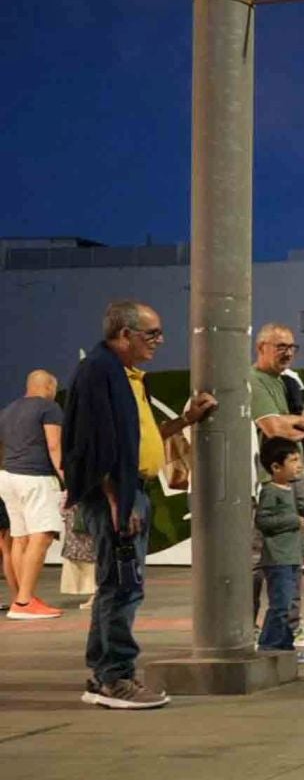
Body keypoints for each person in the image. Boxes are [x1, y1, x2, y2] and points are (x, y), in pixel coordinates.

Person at [64, 300, 217, 709]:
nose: (159, 341)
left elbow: (139, 437)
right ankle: (115, 678)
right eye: (151, 334)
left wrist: (187, 421)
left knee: (119, 586)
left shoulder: (128, 376)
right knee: (121, 587)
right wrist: (120, 499)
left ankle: (106, 676)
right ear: (124, 334)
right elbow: (94, 443)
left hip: (132, 492)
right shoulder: (99, 372)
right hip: (118, 497)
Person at [250, 324, 304, 650]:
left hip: (293, 477)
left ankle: (289, 627)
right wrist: (294, 422)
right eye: (280, 346)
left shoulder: (289, 381)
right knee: (258, 560)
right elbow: (272, 428)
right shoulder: (253, 381)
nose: (287, 353)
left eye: (292, 347)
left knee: (293, 556)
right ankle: (251, 629)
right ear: (262, 347)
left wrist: (290, 423)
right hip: (266, 480)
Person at [0, 370, 66, 620]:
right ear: (48, 386)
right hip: (35, 478)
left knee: (20, 537)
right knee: (43, 536)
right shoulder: (49, 408)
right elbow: (53, 444)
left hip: (7, 476)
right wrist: (65, 478)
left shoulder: (8, 410)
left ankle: (21, 597)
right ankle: (25, 603)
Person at [256, 438, 304, 662]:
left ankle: (285, 647)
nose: (298, 465)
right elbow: (263, 521)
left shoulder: (289, 489)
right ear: (275, 467)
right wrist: (293, 520)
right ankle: (269, 645)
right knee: (280, 605)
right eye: (292, 460)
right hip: (278, 558)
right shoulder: (270, 491)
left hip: (291, 556)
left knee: (288, 603)